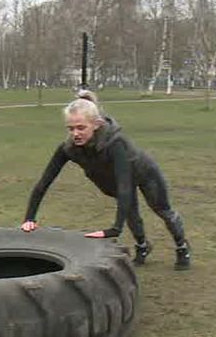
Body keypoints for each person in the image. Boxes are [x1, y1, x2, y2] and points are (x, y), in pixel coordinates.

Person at [21, 91, 191, 270]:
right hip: (118, 180)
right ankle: (142, 246)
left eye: (81, 127)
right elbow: (44, 182)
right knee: (132, 215)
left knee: (162, 210)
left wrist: (115, 229)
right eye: (71, 129)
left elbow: (125, 186)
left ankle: (182, 247)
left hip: (145, 173)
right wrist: (29, 218)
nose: (75, 134)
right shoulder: (68, 149)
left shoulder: (115, 143)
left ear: (97, 124)